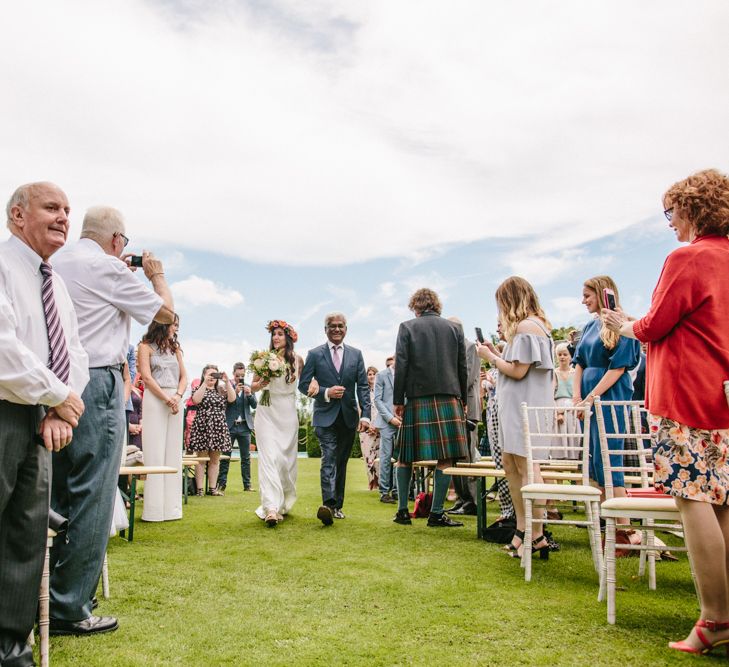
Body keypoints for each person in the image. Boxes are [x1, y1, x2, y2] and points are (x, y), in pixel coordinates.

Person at [603, 169, 729, 655]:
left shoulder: (688, 257)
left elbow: (655, 327)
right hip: (722, 396)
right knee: (722, 502)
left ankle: (715, 618)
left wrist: (622, 322)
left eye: (671, 212)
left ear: (692, 209)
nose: (670, 222)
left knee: (692, 500)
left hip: (684, 395)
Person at [50, 205, 174, 636]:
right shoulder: (108, 268)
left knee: (56, 491)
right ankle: (70, 607)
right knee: (95, 493)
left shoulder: (57, 259)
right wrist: (155, 273)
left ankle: (45, 592)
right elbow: (165, 315)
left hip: (52, 383)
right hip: (96, 382)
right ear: (118, 240)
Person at [0, 182, 88, 666]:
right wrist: (56, 395)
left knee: (26, 534)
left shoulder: (54, 282)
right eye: (51, 208)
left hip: (39, 417)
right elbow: (3, 347)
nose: (62, 217)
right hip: (3, 412)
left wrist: (58, 407)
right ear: (18, 215)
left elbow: (75, 351)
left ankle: (11, 648)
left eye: (67, 211)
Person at [476, 276, 555, 558]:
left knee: (525, 469)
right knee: (511, 465)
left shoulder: (526, 326)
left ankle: (535, 533)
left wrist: (488, 356)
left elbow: (518, 371)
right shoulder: (530, 328)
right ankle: (522, 529)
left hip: (525, 408)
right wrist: (498, 352)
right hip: (516, 406)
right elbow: (517, 365)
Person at [392, 288, 469, 528]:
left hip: (416, 398)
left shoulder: (407, 327)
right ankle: (436, 514)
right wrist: (463, 398)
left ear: (415, 307)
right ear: (437, 305)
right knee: (446, 458)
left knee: (405, 456)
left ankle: (403, 512)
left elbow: (401, 366)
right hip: (449, 397)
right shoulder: (454, 329)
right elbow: (462, 366)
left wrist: (398, 400)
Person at [573, 276, 639, 519]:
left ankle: (624, 526)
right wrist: (577, 397)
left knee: (609, 456)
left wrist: (590, 398)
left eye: (587, 296)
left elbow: (618, 368)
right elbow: (579, 362)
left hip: (610, 395)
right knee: (592, 457)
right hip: (587, 398)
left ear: (601, 295)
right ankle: (605, 520)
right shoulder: (589, 326)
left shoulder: (624, 325)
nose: (583, 301)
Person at [298, 312, 370, 526]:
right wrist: (326, 392)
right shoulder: (315, 354)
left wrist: (365, 415)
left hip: (348, 417)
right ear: (325, 329)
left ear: (346, 329)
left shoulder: (356, 355)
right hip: (324, 417)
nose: (336, 329)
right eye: (332, 326)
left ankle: (337, 505)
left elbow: (363, 386)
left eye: (340, 326)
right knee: (328, 458)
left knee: (341, 462)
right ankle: (328, 505)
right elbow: (303, 385)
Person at [251, 321, 302, 525]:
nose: (276, 338)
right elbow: (253, 386)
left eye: (280, 334)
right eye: (274, 334)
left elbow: (305, 382)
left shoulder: (297, 360)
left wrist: (315, 384)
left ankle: (282, 503)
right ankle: (270, 507)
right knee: (268, 458)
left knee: (284, 461)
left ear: (288, 337)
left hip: (287, 412)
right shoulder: (263, 359)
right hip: (266, 410)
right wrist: (260, 384)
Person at [137, 314, 187, 521]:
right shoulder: (145, 346)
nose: (176, 329)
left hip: (175, 399)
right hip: (155, 399)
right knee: (155, 452)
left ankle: (172, 509)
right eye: (173, 325)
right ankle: (154, 511)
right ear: (162, 324)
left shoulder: (175, 349)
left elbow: (184, 376)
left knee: (174, 452)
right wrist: (166, 398)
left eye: (177, 325)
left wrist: (177, 396)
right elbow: (147, 378)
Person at [446, 317, 481, 516]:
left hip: (467, 408)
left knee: (467, 456)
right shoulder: (453, 349)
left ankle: (471, 502)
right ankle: (461, 499)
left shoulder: (469, 347)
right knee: (456, 458)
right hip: (454, 407)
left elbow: (466, 378)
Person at [189, 365, 235, 495]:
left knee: (215, 460)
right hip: (203, 426)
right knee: (201, 459)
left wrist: (227, 381)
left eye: (215, 375)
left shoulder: (221, 389)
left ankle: (213, 489)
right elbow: (196, 400)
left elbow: (232, 399)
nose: (212, 377)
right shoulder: (199, 388)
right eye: (209, 374)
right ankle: (199, 489)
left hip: (218, 426)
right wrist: (204, 382)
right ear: (203, 375)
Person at [218, 362, 257, 494]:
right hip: (230, 426)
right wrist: (234, 392)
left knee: (246, 458)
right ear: (233, 374)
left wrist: (250, 394)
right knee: (225, 457)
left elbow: (255, 405)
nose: (240, 378)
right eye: (237, 375)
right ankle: (221, 485)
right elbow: (224, 403)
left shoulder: (248, 387)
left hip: (245, 427)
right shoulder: (227, 386)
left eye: (242, 375)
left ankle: (247, 485)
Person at [374, 356, 399, 503]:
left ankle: (397, 490)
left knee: (401, 457)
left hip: (402, 421)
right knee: (385, 458)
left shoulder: (407, 375)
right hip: (386, 422)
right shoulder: (382, 375)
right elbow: (378, 400)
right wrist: (391, 418)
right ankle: (384, 492)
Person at [552, 343, 580, 461]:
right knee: (558, 442)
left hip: (572, 408)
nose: (562, 357)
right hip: (557, 407)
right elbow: (551, 394)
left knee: (574, 440)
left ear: (570, 356)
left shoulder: (576, 373)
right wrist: (557, 413)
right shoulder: (554, 373)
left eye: (565, 354)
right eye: (559, 355)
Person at [358, 366, 381, 491]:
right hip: (366, 429)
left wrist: (376, 426)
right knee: (368, 456)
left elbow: (382, 410)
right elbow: (359, 409)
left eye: (373, 374)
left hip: (378, 429)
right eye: (369, 374)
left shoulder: (381, 392)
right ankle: (371, 481)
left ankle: (378, 481)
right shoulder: (363, 392)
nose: (371, 376)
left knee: (378, 456)